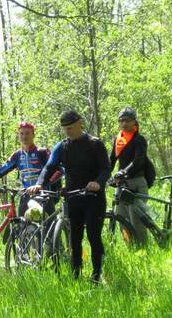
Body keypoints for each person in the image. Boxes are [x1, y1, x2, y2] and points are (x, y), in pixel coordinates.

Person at [28, 110, 110, 282]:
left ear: (80, 123)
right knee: (75, 239)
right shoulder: (62, 146)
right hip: (73, 198)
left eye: (70, 128)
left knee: (93, 236)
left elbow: (105, 169)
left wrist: (98, 182)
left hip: (94, 198)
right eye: (65, 129)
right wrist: (40, 183)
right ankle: (76, 275)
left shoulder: (95, 144)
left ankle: (96, 275)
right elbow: (49, 167)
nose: (67, 131)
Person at [0, 121, 60, 216]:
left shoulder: (42, 152)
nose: (24, 136)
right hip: (26, 195)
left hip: (44, 194)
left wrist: (43, 184)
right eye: (21, 133)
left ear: (33, 135)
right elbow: (3, 169)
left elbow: (59, 170)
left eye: (27, 133)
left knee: (47, 228)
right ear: (18, 136)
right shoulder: (17, 155)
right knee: (21, 227)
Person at [109, 107, 151, 244]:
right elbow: (111, 161)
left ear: (134, 122)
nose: (123, 123)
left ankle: (144, 249)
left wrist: (123, 172)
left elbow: (139, 160)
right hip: (121, 185)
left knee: (137, 220)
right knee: (122, 218)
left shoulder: (139, 140)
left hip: (137, 183)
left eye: (127, 120)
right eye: (121, 121)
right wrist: (102, 176)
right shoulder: (117, 140)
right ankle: (131, 248)